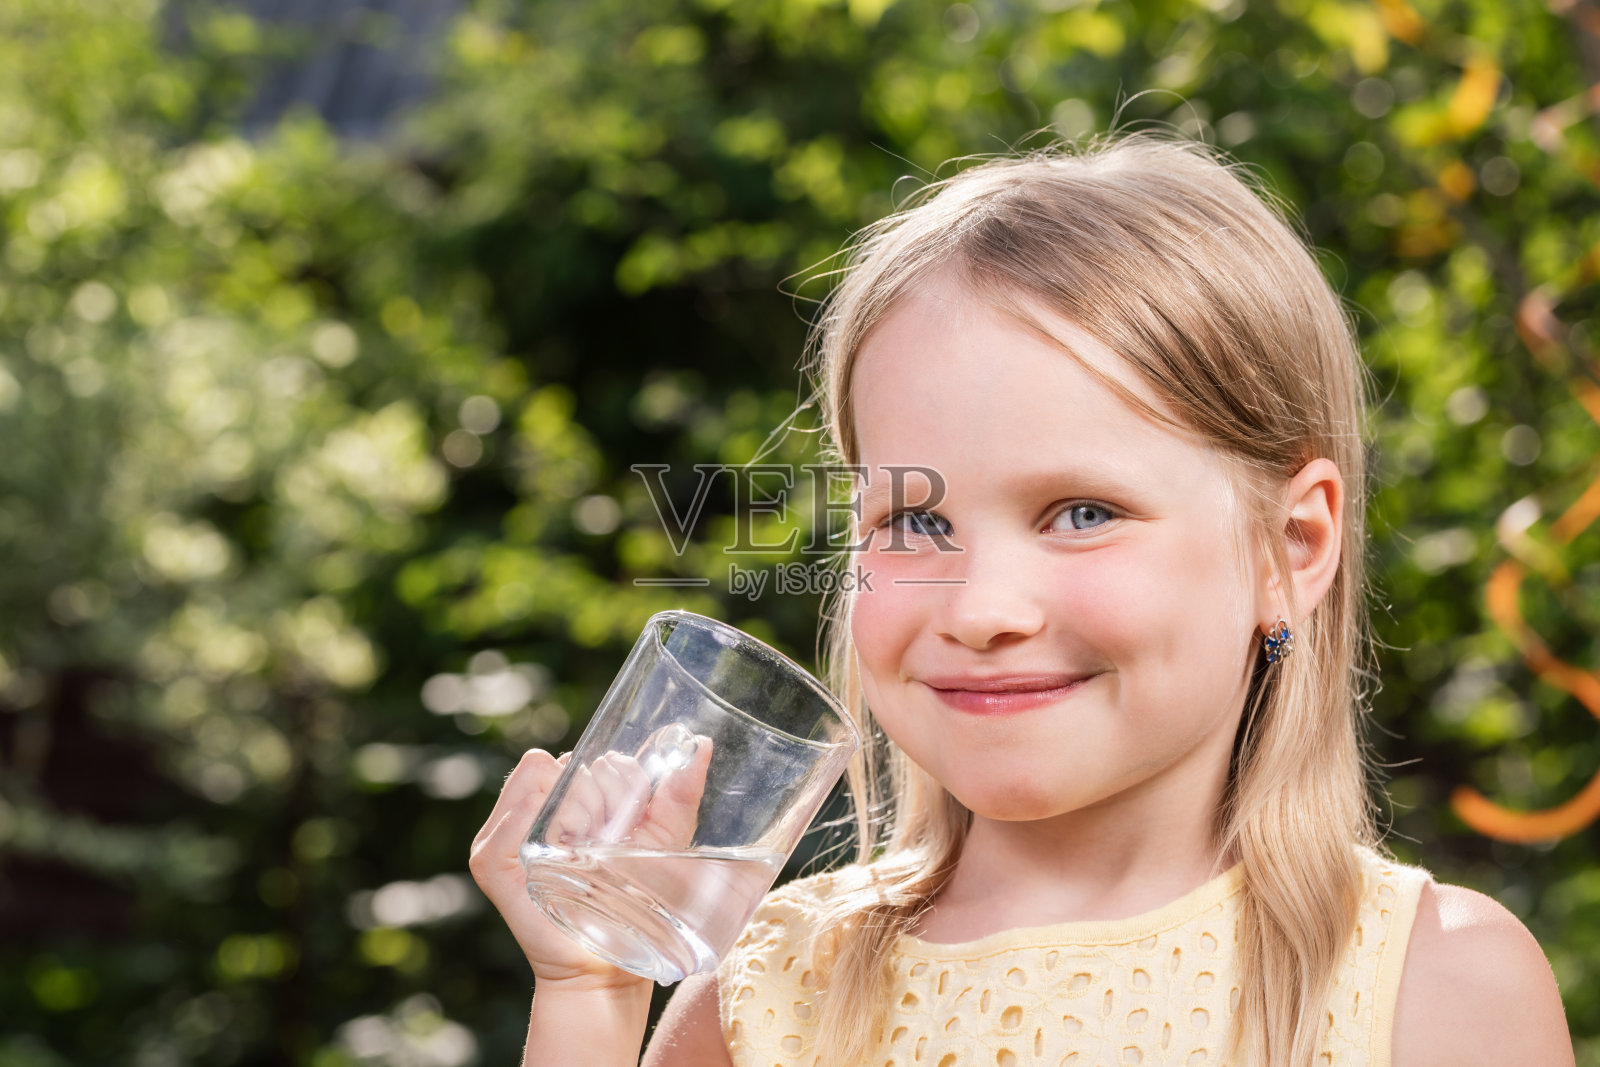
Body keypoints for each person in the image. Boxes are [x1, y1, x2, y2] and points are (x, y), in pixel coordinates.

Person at [469, 134, 1574, 1066]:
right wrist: (590, 992)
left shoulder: (1432, 987)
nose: (982, 607)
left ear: (1291, 545)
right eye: (916, 523)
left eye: (1081, 511)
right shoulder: (763, 999)